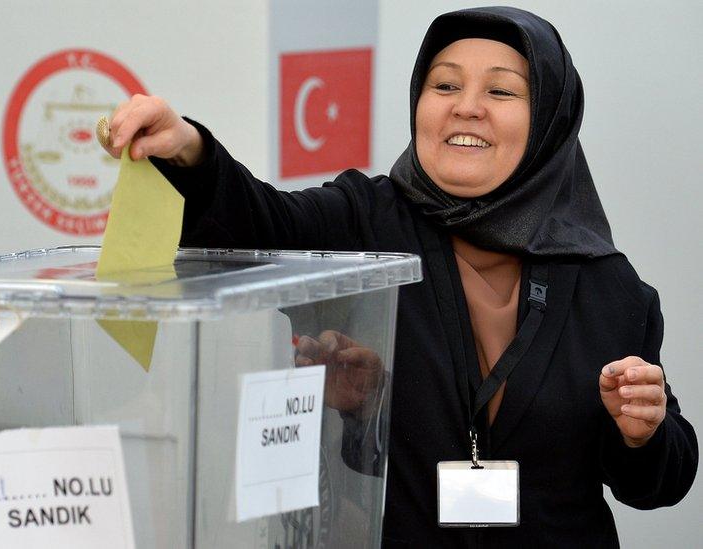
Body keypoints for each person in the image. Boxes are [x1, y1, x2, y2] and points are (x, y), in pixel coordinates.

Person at [103, 6, 698, 546]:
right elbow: (259, 223)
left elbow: (659, 484)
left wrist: (642, 433)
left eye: (501, 89)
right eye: (444, 84)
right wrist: (189, 150)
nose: (467, 105)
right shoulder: (367, 218)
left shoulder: (609, 287)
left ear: (549, 122)